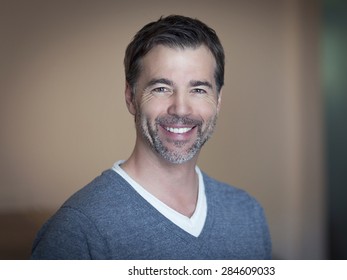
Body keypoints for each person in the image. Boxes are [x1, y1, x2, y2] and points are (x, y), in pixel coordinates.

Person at [31, 15, 272, 260]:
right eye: (161, 88)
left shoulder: (248, 215)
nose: (180, 109)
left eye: (198, 90)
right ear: (130, 97)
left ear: (218, 100)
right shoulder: (76, 231)